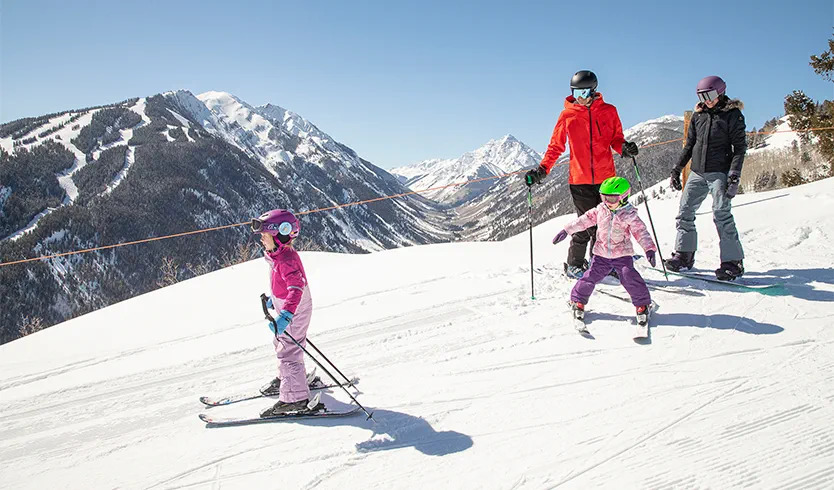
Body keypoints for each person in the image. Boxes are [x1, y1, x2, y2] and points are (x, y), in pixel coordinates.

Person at [525, 70, 639, 279]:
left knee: (608, 225)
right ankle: (574, 264)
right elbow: (556, 146)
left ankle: (600, 264)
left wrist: (624, 148)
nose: (580, 97)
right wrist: (542, 170)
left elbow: (616, 139)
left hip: (607, 180)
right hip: (580, 179)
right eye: (576, 92)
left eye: (584, 92)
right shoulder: (567, 115)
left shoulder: (609, 111)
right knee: (586, 224)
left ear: (594, 91)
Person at [665, 75, 747, 280]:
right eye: (702, 96)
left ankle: (733, 262)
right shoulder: (698, 116)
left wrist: (734, 175)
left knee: (721, 213)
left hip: (720, 172)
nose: (706, 100)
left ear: (720, 92)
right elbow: (690, 145)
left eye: (709, 95)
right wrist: (677, 169)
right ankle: (684, 255)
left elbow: (739, 148)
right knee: (685, 212)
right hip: (697, 172)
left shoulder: (732, 115)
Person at [552, 176, 657, 324]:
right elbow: (584, 220)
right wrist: (567, 230)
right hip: (601, 255)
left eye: (611, 199)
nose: (607, 202)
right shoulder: (600, 210)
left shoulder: (629, 215)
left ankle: (642, 304)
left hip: (622, 255)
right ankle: (577, 300)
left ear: (623, 197)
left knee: (629, 277)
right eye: (603, 197)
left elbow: (641, 232)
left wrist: (649, 249)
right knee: (589, 277)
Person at [251, 209, 316, 416]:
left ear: (280, 235)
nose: (261, 238)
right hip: (289, 308)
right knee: (283, 344)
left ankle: (295, 399)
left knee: (288, 351)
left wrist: (286, 314)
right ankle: (288, 380)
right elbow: (286, 286)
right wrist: (276, 299)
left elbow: (296, 288)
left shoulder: (286, 259)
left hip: (294, 312)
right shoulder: (279, 256)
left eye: (265, 234)